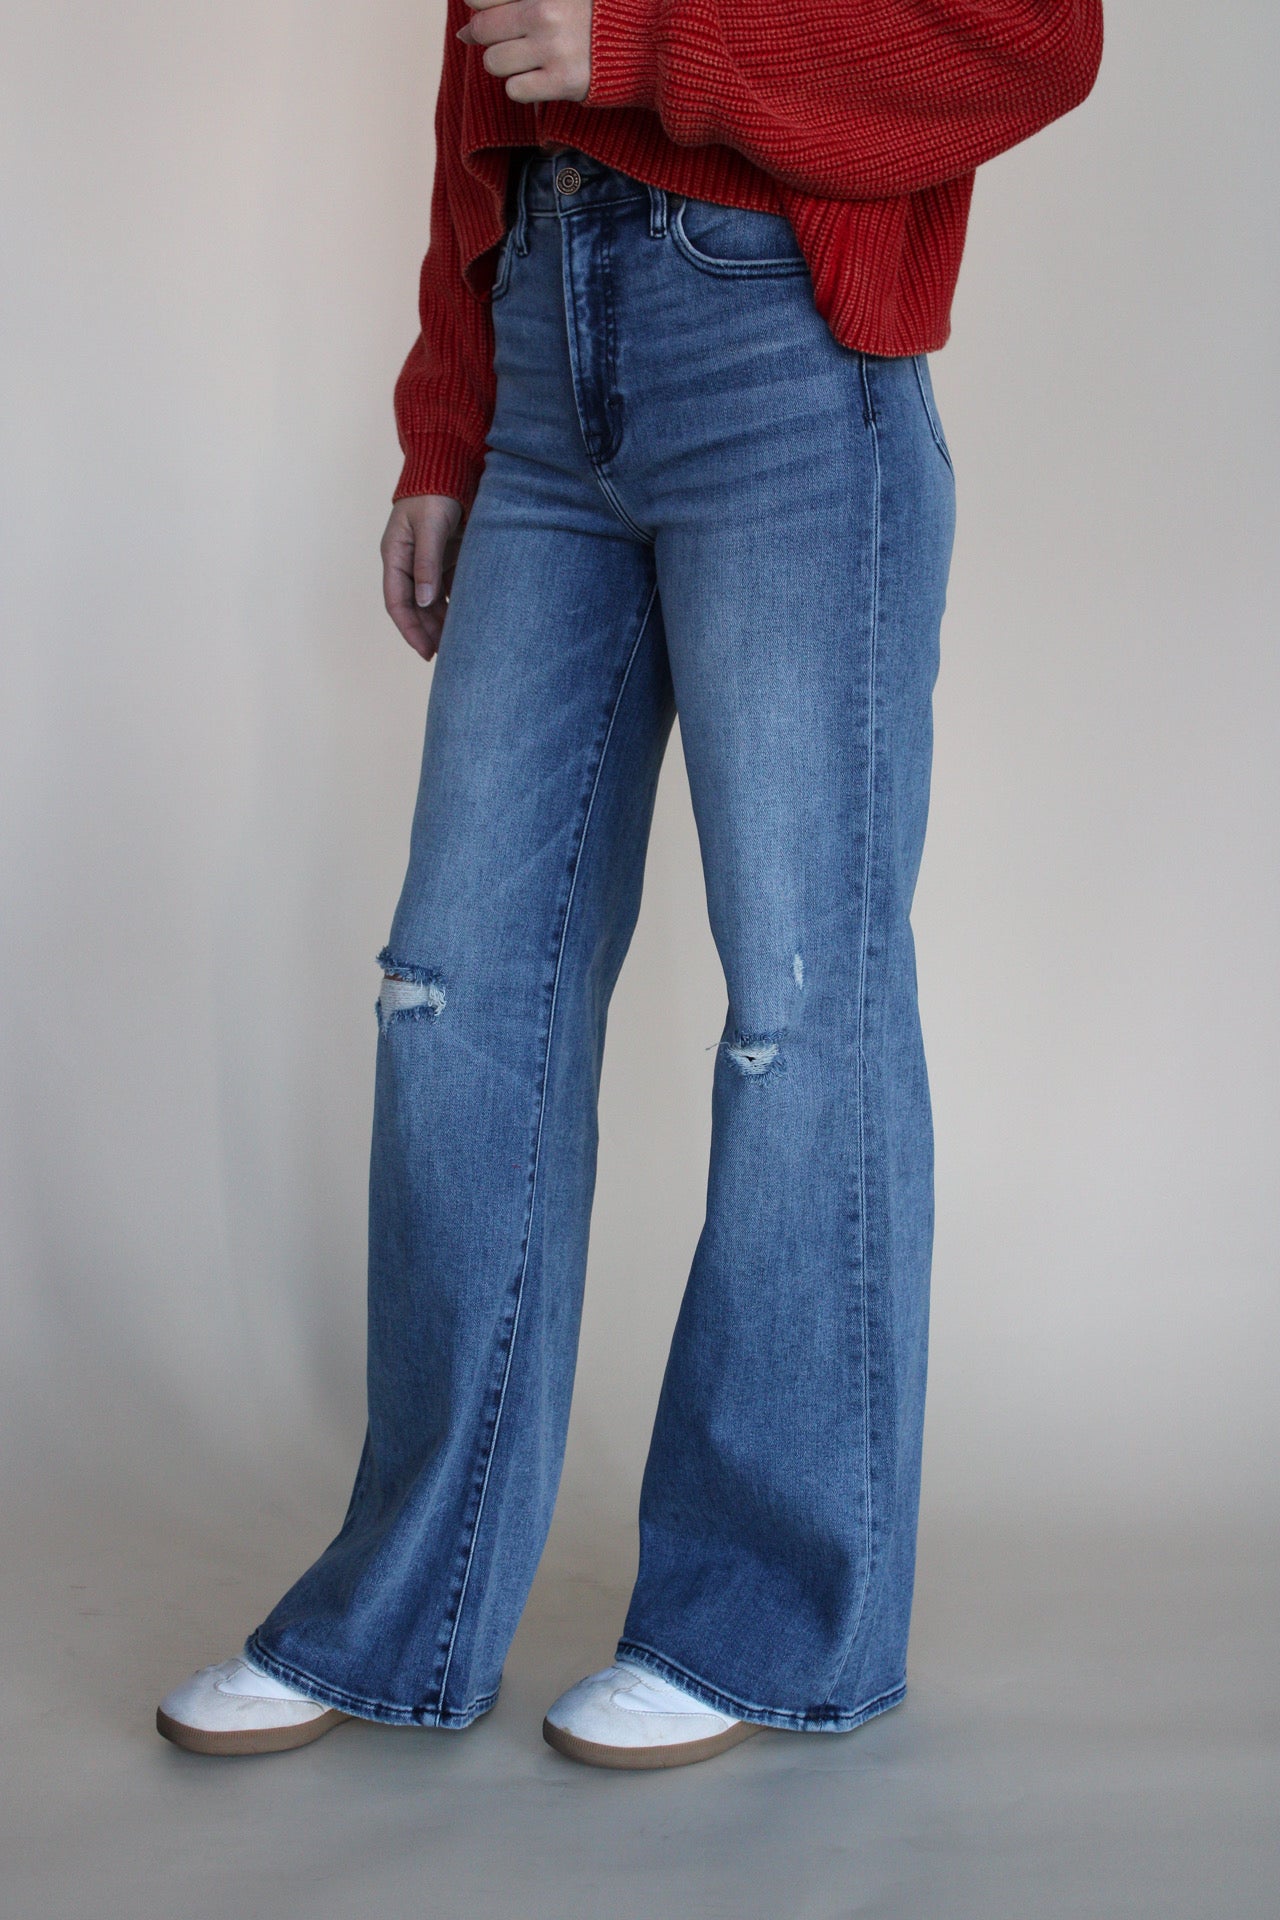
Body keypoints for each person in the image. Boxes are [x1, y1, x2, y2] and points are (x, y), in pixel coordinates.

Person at [156, 0, 1103, 1769]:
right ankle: (405, 1611)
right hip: (544, 333)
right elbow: (484, 58)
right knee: (454, 992)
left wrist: (657, 45)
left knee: (803, 1008)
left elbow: (1035, 39)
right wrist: (449, 415)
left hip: (781, 344)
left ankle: (759, 1624)